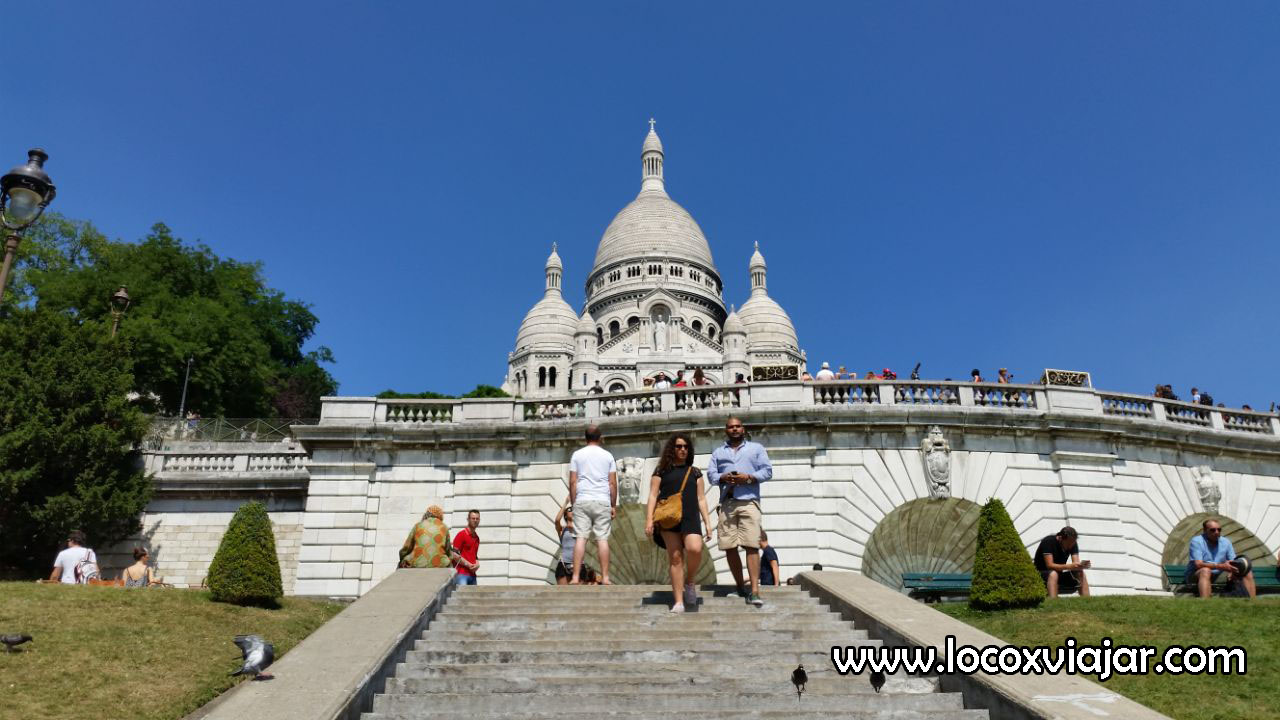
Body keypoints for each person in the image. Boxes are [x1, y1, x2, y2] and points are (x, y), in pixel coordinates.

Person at [708, 416, 773, 607]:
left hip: (749, 501)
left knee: (752, 545)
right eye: (731, 427)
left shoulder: (756, 449)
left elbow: (767, 471)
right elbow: (711, 475)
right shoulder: (718, 452)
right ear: (726, 430)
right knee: (729, 546)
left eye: (737, 426)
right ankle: (739, 586)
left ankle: (754, 590)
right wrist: (723, 476)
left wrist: (749, 477)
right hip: (727, 503)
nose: (734, 429)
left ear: (743, 429)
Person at [645, 433, 713, 612]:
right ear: (672, 449)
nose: (682, 449)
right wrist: (649, 520)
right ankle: (678, 601)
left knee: (694, 548)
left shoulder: (695, 472)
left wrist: (707, 522)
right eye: (678, 446)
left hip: (690, 516)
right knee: (675, 558)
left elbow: (701, 499)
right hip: (669, 518)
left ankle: (689, 581)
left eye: (685, 447)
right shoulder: (661, 471)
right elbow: (652, 495)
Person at [569, 425, 617, 585]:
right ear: (600, 437)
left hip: (582, 499)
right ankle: (605, 577)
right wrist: (613, 505)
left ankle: (575, 578)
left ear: (585, 438)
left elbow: (573, 481)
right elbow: (612, 483)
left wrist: (574, 502)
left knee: (580, 539)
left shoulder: (577, 455)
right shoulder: (608, 456)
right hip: (602, 499)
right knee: (602, 539)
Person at [1187, 518, 1256, 598]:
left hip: (1218, 575)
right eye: (1213, 530)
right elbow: (1198, 564)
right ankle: (1205, 604)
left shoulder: (1226, 542)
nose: (1217, 532)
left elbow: (1233, 560)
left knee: (1246, 571)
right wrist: (1220, 566)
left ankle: (1252, 603)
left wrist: (1232, 571)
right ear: (1205, 531)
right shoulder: (1197, 541)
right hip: (1196, 574)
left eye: (1219, 530)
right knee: (1206, 571)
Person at [1034, 526, 1091, 597]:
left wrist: (1080, 566)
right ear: (1060, 538)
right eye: (1068, 544)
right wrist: (1070, 566)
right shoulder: (1048, 541)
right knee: (1053, 574)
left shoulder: (1072, 543)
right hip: (1040, 575)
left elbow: (1075, 563)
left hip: (1058, 574)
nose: (1071, 546)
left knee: (1080, 572)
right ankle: (1054, 603)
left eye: (1073, 543)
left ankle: (1087, 601)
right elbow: (1050, 565)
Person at [398, 505, 461, 569]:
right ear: (440, 516)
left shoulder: (418, 525)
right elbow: (448, 551)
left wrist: (402, 557)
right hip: (439, 564)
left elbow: (407, 547)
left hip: (417, 564)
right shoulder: (443, 527)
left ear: (426, 514)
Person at [452, 510, 482, 586]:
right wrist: (468, 564)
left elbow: (474, 555)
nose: (475, 520)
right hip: (461, 574)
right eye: (473, 518)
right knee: (461, 597)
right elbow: (454, 555)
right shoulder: (461, 535)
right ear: (468, 519)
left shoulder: (477, 538)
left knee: (474, 598)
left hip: (473, 575)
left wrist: (477, 564)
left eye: (477, 518)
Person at [553, 502, 576, 585]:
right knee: (562, 594)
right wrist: (566, 502)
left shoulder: (582, 529)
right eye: (570, 510)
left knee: (578, 595)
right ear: (565, 515)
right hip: (563, 563)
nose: (573, 511)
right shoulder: (562, 529)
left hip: (578, 564)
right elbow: (557, 520)